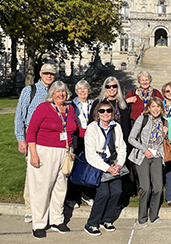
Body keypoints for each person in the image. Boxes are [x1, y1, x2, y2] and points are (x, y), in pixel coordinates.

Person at [26, 81, 78, 239]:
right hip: (45, 151)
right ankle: (39, 223)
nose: (61, 94)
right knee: (42, 188)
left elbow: (75, 129)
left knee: (60, 187)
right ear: (52, 94)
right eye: (57, 92)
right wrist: (33, 154)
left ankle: (57, 219)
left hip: (65, 151)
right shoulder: (43, 107)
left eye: (63, 92)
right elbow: (31, 131)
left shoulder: (69, 108)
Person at [14, 63, 56, 223]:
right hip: (33, 137)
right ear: (40, 74)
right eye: (46, 73)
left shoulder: (56, 91)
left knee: (49, 173)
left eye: (51, 74)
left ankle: (46, 206)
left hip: (50, 138)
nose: (48, 76)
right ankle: (30, 208)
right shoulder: (29, 91)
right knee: (33, 173)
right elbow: (19, 116)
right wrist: (20, 139)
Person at [83, 100, 127, 236]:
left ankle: (106, 220)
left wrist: (119, 164)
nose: (105, 113)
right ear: (97, 113)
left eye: (108, 110)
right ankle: (91, 223)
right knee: (103, 194)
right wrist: (107, 168)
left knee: (116, 192)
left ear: (112, 113)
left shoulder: (116, 127)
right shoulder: (92, 128)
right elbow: (90, 154)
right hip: (100, 166)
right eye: (102, 111)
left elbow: (122, 147)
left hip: (115, 164)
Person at [90, 77, 132, 207]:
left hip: (120, 141)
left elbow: (127, 125)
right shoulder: (99, 103)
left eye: (114, 86)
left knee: (120, 171)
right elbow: (92, 122)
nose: (111, 89)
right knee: (102, 172)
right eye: (108, 86)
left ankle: (120, 199)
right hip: (103, 143)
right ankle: (99, 196)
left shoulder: (123, 104)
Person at [128, 97, 168, 227]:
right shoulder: (143, 119)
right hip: (143, 157)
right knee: (145, 188)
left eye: (158, 107)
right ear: (149, 108)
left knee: (158, 188)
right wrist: (144, 149)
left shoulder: (164, 121)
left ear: (161, 109)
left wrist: (166, 134)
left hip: (157, 157)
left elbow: (163, 142)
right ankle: (142, 217)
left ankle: (153, 215)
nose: (156, 109)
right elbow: (131, 138)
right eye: (153, 106)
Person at [66, 79, 94, 209]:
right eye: (80, 89)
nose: (83, 91)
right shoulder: (71, 105)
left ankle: (86, 194)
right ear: (76, 92)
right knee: (74, 167)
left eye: (85, 89)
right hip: (77, 138)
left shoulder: (93, 104)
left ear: (89, 90)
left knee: (88, 167)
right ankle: (71, 197)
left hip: (90, 139)